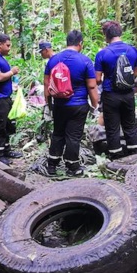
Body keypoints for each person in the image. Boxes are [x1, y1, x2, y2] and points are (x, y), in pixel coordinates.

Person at [43, 30, 99, 177]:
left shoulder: (53, 60)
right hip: (78, 105)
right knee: (73, 136)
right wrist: (95, 106)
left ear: (67, 42)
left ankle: (52, 165)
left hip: (59, 105)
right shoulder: (85, 61)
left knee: (58, 133)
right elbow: (92, 86)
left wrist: (49, 107)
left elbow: (47, 86)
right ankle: (73, 166)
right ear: (80, 43)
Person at [95, 20, 137, 159]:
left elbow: (97, 79)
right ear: (120, 33)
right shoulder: (132, 50)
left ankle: (116, 157)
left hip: (111, 95)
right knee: (130, 124)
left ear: (106, 35)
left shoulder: (103, 54)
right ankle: (134, 155)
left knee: (112, 127)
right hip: (128, 94)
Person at [0, 33, 23, 165]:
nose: (9, 48)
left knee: (7, 125)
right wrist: (12, 72)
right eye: (7, 45)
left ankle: (6, 150)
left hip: (4, 97)